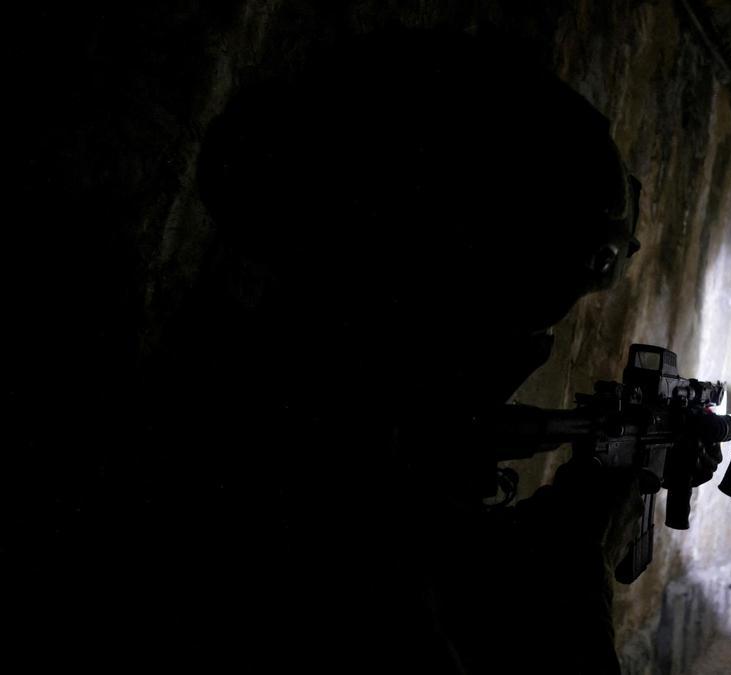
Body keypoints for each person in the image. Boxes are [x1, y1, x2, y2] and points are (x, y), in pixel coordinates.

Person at [122, 29, 657, 671]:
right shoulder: (291, 475)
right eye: (523, 304)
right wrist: (576, 560)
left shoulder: (263, 392)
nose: (529, 340)